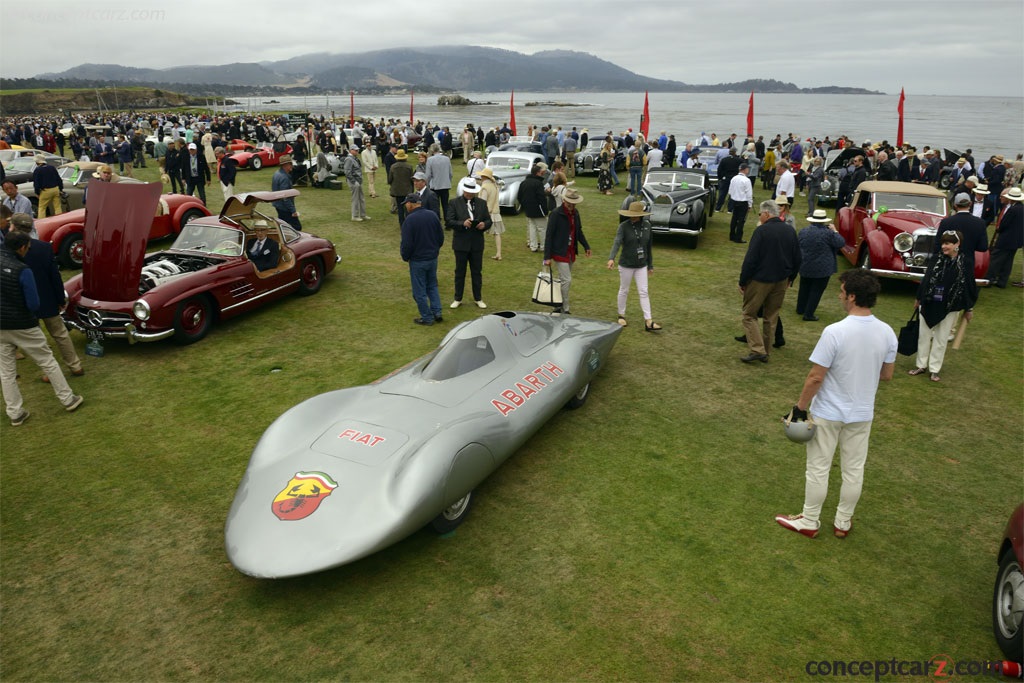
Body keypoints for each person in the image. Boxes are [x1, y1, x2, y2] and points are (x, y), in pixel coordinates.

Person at [774, 269, 896, 539]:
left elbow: (816, 376)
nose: (839, 296)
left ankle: (809, 520)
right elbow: (887, 375)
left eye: (842, 292)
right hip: (862, 414)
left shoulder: (835, 332)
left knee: (818, 467)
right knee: (854, 469)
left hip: (828, 413)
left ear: (852, 296)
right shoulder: (887, 332)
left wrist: (800, 408)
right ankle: (842, 522)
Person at [1, 231, 84, 425]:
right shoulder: (23, 270)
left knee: (6, 371)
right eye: (27, 248)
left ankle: (15, 413)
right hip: (23, 324)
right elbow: (33, 304)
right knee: (47, 361)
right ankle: (68, 399)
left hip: (1, 326)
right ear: (21, 247)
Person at [9, 214, 83, 379]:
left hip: (25, 304)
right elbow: (55, 277)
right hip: (47, 299)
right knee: (60, 334)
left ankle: (50, 373)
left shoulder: (9, 251)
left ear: (14, 227)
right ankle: (75, 365)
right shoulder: (44, 248)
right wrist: (59, 299)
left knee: (37, 341)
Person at [908, 230, 978, 382]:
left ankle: (934, 369)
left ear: (957, 244)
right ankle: (921, 365)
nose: (943, 246)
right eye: (942, 243)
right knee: (924, 336)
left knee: (941, 338)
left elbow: (969, 286)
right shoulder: (936, 258)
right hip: (929, 302)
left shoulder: (965, 262)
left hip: (950, 306)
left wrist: (969, 308)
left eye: (947, 243)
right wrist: (919, 298)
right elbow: (926, 279)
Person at [738, 200, 801, 363]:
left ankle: (757, 349)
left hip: (760, 279)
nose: (759, 217)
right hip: (781, 280)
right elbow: (798, 258)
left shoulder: (762, 231)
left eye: (760, 214)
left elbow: (751, 259)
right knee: (771, 316)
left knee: (748, 314)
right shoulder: (789, 231)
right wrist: (790, 278)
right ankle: (766, 351)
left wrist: (743, 280)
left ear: (766, 214)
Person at [607, 201, 660, 331]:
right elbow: (617, 242)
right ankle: (621, 315)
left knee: (644, 291)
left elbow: (648, 247)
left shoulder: (647, 226)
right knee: (624, 289)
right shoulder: (623, 227)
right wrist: (611, 258)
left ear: (641, 215)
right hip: (626, 264)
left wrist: (650, 265)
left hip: (641, 265)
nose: (633, 217)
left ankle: (648, 320)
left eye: (636, 215)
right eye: (631, 215)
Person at [400, 193, 445, 326]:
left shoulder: (409, 220)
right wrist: (435, 250)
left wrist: (405, 256)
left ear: (410, 204)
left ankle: (427, 317)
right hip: (432, 258)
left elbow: (407, 244)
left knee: (419, 291)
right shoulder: (432, 215)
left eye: (406, 203)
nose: (406, 206)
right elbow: (440, 237)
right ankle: (437, 312)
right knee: (432, 286)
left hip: (418, 261)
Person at [543, 188, 590, 315]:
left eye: (574, 204)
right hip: (559, 252)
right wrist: (547, 257)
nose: (572, 206)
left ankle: (558, 305)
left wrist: (586, 246)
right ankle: (565, 308)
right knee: (567, 280)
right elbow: (549, 235)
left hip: (570, 252)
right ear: (564, 201)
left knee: (563, 280)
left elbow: (578, 231)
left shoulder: (576, 213)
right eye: (570, 204)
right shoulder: (555, 214)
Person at [447, 178, 491, 309]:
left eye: (472, 192)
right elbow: (449, 221)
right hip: (461, 243)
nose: (470, 195)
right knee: (460, 272)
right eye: (468, 192)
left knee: (477, 272)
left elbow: (488, 220)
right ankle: (457, 298)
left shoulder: (482, 203)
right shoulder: (454, 203)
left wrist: (484, 225)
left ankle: (478, 298)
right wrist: (462, 223)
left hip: (477, 244)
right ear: (464, 190)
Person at [796, 210, 846, 321]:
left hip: (805, 264)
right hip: (822, 267)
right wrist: (835, 231)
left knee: (804, 287)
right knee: (817, 290)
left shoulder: (804, 231)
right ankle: (808, 314)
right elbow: (841, 242)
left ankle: (800, 308)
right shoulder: (828, 233)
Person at [986, 187, 1024, 288]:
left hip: (1006, 239)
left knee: (995, 259)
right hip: (1016, 240)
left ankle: (989, 279)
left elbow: (1003, 224)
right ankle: (1002, 281)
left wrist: (999, 229)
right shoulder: (1021, 208)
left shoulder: (1012, 210)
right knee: (1008, 261)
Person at [518, 162, 550, 252]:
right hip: (538, 210)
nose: (542, 173)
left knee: (532, 228)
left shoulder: (523, 183)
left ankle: (533, 246)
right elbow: (541, 198)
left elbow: (519, 196)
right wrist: (545, 211)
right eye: (541, 172)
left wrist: (525, 206)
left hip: (528, 209)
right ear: (538, 173)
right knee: (542, 228)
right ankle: (543, 246)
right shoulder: (538, 183)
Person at [478, 168, 504, 261]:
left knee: (479, 232)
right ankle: (498, 253)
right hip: (495, 212)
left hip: (487, 213)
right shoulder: (494, 185)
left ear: (484, 177)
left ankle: (478, 251)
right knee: (497, 234)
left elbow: (483, 202)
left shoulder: (485, 187)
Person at [270, 155, 301, 230]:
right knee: (297, 227)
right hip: (284, 207)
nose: (291, 166)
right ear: (285, 165)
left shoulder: (277, 174)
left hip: (278, 205)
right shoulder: (284, 178)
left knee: (282, 226)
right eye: (290, 164)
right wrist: (293, 211)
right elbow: (285, 196)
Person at [425, 144, 453, 223]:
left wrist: (427, 185)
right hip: (445, 185)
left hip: (435, 186)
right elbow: (450, 173)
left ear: (432, 150)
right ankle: (448, 222)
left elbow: (428, 175)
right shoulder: (447, 159)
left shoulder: (430, 160)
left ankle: (436, 221)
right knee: (445, 205)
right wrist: (448, 182)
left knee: (435, 205)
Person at [728, 163, 754, 243]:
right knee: (741, 220)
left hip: (734, 200)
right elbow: (749, 194)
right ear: (744, 169)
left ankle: (732, 235)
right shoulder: (746, 180)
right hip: (743, 202)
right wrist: (750, 204)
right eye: (747, 169)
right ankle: (738, 237)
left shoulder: (734, 178)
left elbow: (730, 191)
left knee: (734, 219)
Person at [388, 149, 414, 227]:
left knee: (400, 208)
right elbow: (411, 179)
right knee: (407, 207)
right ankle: (408, 223)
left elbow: (390, 179)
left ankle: (401, 223)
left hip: (397, 190)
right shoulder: (409, 166)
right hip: (407, 190)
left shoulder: (393, 167)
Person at [343, 147, 369, 222]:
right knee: (355, 199)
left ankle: (363, 214)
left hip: (358, 181)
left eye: (358, 150)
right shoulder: (349, 159)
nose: (357, 151)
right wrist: (354, 181)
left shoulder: (355, 158)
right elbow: (347, 172)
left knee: (361, 198)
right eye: (356, 150)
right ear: (351, 150)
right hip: (354, 181)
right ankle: (354, 215)